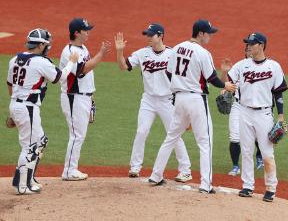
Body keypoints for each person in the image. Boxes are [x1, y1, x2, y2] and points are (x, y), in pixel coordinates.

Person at [148, 19, 235, 193]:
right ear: (201, 33)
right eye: (209, 33)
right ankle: (205, 184)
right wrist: (226, 85)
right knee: (205, 142)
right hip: (196, 100)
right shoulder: (203, 53)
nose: (210, 36)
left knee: (171, 137)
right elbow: (212, 78)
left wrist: (181, 84)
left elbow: (169, 72)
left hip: (179, 99)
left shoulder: (176, 48)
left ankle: (156, 175)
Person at [114, 24, 192, 182]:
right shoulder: (142, 54)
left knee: (174, 135)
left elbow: (184, 78)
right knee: (141, 131)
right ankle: (135, 167)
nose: (148, 38)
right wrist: (120, 50)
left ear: (160, 35)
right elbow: (123, 66)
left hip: (168, 101)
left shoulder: (173, 54)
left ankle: (185, 170)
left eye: (151, 35)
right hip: (148, 100)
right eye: (147, 35)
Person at [7, 28, 78, 194]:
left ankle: (26, 178)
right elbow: (60, 77)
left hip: (18, 105)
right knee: (30, 147)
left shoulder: (14, 59)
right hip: (27, 108)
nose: (48, 47)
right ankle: (22, 186)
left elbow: (10, 86)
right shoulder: (41, 62)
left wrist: (13, 111)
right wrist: (71, 62)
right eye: (46, 44)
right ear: (40, 45)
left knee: (40, 142)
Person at [228, 32, 288, 202]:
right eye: (247, 43)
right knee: (246, 150)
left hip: (264, 114)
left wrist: (281, 116)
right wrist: (226, 82)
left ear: (261, 45)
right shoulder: (242, 65)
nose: (248, 46)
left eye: (252, 44)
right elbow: (230, 81)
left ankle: (270, 188)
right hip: (244, 111)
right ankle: (247, 186)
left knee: (267, 152)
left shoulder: (273, 67)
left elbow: (278, 93)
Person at [60, 18, 110, 181]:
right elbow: (82, 70)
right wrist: (101, 54)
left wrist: (91, 96)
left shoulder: (82, 48)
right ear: (76, 32)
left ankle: (71, 169)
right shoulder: (69, 51)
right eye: (85, 30)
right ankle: (69, 170)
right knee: (76, 135)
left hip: (83, 97)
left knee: (78, 134)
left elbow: (86, 76)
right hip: (74, 97)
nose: (88, 32)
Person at [220, 48, 264, 176]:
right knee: (234, 136)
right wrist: (224, 73)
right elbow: (227, 83)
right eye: (247, 48)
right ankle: (235, 166)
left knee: (258, 135)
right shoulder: (240, 66)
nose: (249, 50)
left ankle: (259, 157)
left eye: (252, 47)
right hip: (239, 106)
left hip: (257, 106)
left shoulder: (265, 66)